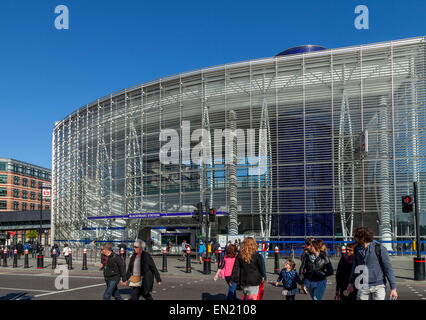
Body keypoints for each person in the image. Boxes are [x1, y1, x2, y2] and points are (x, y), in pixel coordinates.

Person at [346, 227, 398, 300]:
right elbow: (355, 267)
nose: (355, 239)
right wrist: (351, 283)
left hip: (378, 286)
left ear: (362, 238)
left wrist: (393, 288)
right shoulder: (357, 249)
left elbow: (388, 268)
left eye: (356, 237)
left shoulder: (379, 248)